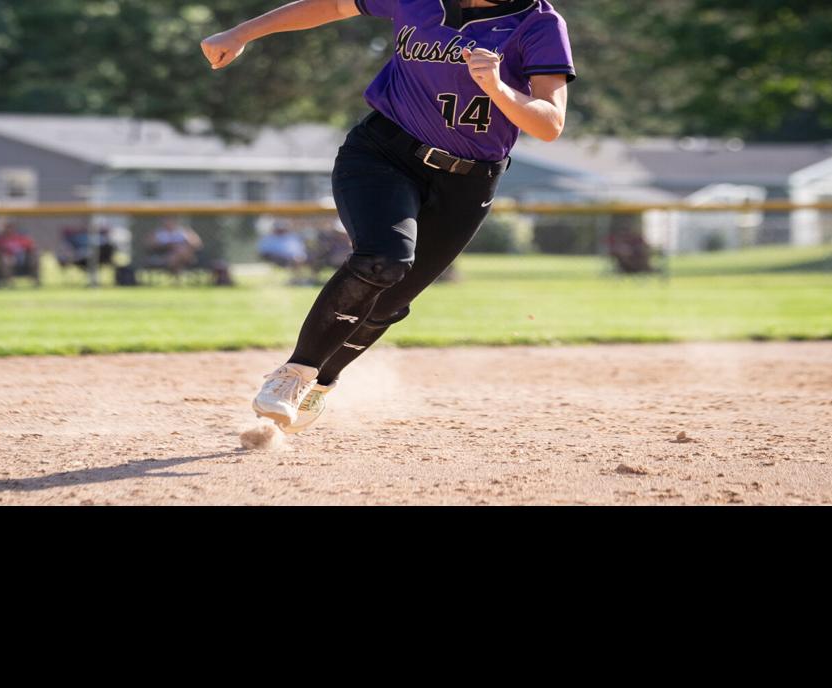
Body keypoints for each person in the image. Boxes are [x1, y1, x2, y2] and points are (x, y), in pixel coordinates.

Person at [203, 0, 575, 433]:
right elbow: (334, 5)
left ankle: (320, 383)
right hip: (383, 154)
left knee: (390, 303)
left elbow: (549, 123)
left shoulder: (539, 23)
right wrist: (240, 33)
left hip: (468, 182)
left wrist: (497, 87)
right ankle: (293, 374)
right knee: (383, 261)